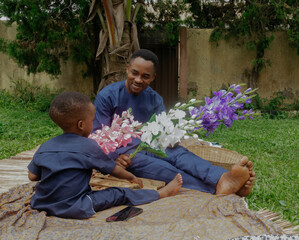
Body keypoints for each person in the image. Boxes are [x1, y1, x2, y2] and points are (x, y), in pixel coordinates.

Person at [93, 49, 255, 196]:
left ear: (153, 78)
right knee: (165, 169)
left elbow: (164, 131)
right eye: (134, 73)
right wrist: (115, 158)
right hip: (129, 154)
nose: (138, 79)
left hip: (153, 145)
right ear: (127, 69)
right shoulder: (107, 97)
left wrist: (170, 137)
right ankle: (223, 189)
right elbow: (97, 138)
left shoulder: (155, 99)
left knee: (180, 154)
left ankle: (222, 177)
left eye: (145, 76)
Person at [27, 91, 183, 219]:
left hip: (42, 203)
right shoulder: (88, 146)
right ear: (81, 125)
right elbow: (113, 169)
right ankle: (160, 194)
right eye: (92, 120)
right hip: (77, 206)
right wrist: (131, 177)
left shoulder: (45, 146)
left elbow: (32, 176)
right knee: (117, 193)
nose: (93, 123)